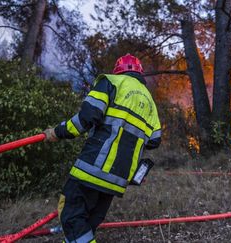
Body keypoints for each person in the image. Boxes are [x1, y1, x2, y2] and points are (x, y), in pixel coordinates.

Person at [44, 53, 161, 243]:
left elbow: (86, 118)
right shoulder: (150, 103)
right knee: (88, 221)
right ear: (140, 73)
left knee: (71, 215)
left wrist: (57, 132)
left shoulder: (111, 82)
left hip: (93, 167)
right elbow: (155, 140)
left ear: (118, 70)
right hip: (119, 177)